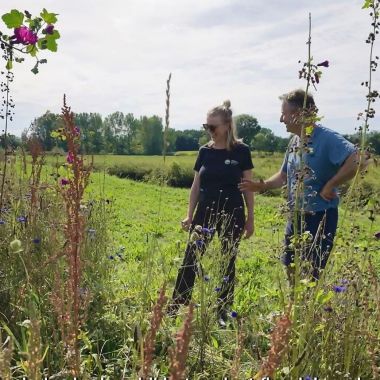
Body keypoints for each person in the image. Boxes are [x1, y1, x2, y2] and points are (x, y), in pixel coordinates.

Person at [239, 89, 359, 282]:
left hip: (320, 216)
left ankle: (307, 309)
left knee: (311, 271)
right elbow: (283, 175)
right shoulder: (295, 140)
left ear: (299, 114)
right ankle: (294, 306)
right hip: (295, 213)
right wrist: (261, 185)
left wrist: (331, 184)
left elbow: (357, 158)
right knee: (289, 264)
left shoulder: (326, 138)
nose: (281, 119)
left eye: (284, 114)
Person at [168, 100, 254, 326]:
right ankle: (177, 303)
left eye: (213, 127)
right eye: (207, 126)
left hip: (232, 211)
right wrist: (189, 214)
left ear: (227, 125)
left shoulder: (242, 151)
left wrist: (250, 218)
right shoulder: (204, 152)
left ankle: (222, 310)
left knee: (228, 260)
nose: (210, 131)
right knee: (190, 257)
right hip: (205, 211)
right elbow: (196, 185)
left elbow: (248, 186)